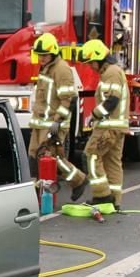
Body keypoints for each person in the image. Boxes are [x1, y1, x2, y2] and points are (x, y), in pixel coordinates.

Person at [27, 32, 86, 201]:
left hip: (52, 123)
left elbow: (68, 99)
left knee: (50, 158)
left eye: (44, 55)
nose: (41, 58)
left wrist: (57, 122)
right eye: (39, 55)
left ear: (52, 53)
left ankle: (78, 179)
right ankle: (37, 193)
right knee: (33, 156)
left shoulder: (61, 69)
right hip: (40, 123)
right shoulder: (46, 68)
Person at [79, 38, 129, 211]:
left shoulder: (111, 73)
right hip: (117, 126)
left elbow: (111, 100)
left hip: (108, 126)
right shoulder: (113, 71)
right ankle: (114, 201)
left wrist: (94, 114)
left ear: (99, 58)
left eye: (91, 62)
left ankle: (102, 197)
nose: (90, 66)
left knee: (90, 156)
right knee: (112, 162)